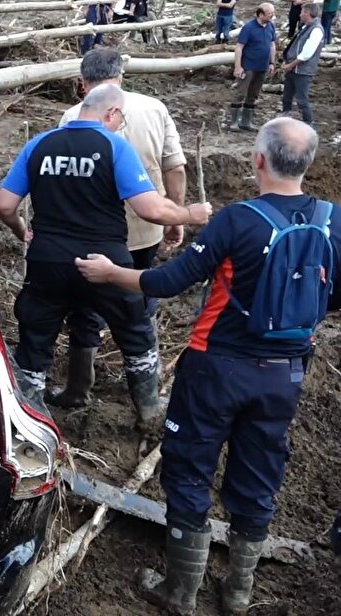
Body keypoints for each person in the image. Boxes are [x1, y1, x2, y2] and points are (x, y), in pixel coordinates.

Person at [76, 117, 341, 616]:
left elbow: (167, 282)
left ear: (258, 159)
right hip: (284, 374)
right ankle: (239, 592)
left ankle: (180, 592)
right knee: (260, 471)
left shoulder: (238, 220)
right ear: (308, 164)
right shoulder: (334, 221)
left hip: (215, 368)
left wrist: (112, 273)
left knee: (189, 468)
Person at [0, 84, 211, 435]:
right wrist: (190, 214)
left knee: (35, 338)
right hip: (104, 263)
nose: (120, 123)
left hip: (48, 261)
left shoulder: (40, 145)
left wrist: (21, 230)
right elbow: (150, 208)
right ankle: (149, 411)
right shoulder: (114, 147)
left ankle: (27, 420)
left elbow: (4, 204)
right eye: (120, 117)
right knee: (135, 331)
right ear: (111, 114)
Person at [50, 49, 188, 410]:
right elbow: (173, 167)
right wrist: (174, 214)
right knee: (141, 301)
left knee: (85, 307)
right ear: (120, 76)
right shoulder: (154, 108)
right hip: (144, 227)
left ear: (83, 83)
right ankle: (147, 397)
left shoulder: (70, 117)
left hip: (89, 235)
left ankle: (78, 389)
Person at [228, 4, 279, 132]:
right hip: (248, 66)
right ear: (261, 14)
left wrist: (272, 62)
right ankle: (234, 122)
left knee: (254, 94)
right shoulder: (248, 28)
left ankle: (246, 121)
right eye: (270, 14)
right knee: (241, 92)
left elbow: (272, 44)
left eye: (273, 13)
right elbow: (239, 47)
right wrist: (238, 66)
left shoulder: (271, 26)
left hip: (262, 67)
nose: (272, 16)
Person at [281, 2, 325, 126]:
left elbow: (307, 54)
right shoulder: (306, 27)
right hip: (294, 69)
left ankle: (308, 123)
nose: (299, 15)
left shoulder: (316, 30)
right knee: (286, 97)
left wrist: (291, 65)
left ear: (307, 13)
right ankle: (285, 121)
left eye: (301, 12)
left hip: (302, 71)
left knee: (302, 100)